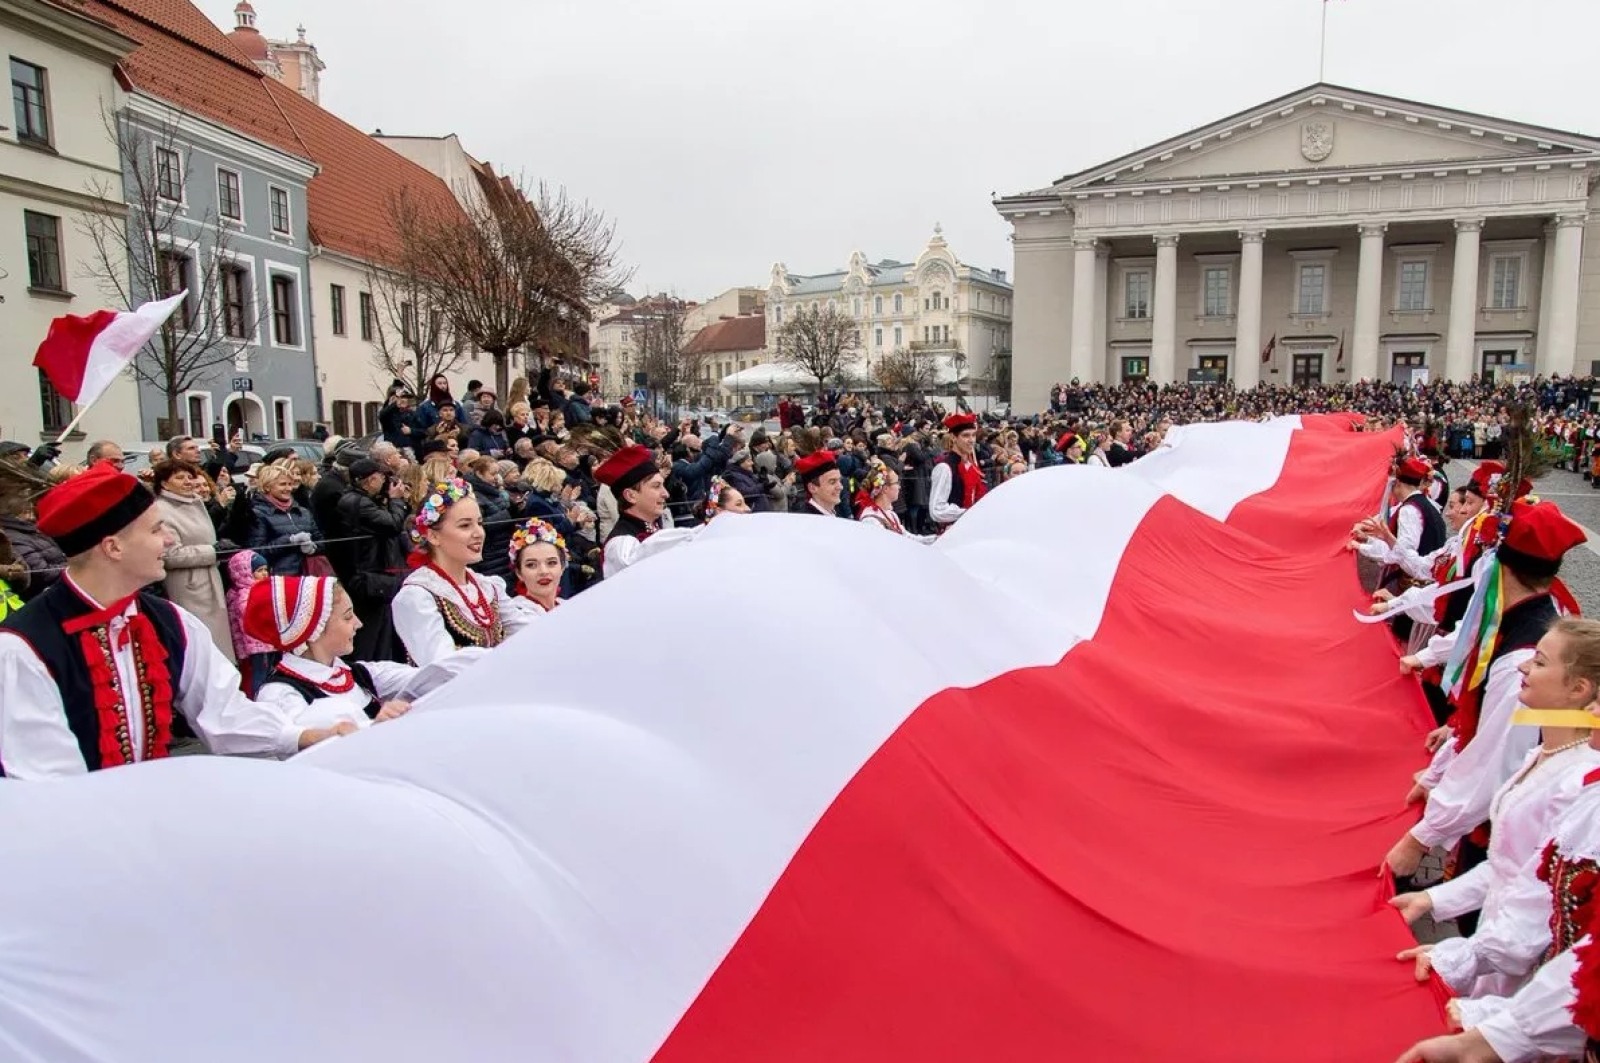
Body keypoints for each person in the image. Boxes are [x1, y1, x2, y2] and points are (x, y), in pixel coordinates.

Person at [0, 465, 349, 778]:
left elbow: (222, 711)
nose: (167, 540)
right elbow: (46, 778)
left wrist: (304, 737)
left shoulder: (168, 621)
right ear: (113, 548)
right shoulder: (23, 647)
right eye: (155, 530)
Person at [1390, 618, 1600, 1000]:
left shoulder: (1577, 784)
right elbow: (1512, 865)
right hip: (1497, 944)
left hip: (1524, 972)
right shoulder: (1546, 754)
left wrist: (1461, 956)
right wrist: (1434, 899)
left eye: (1539, 662)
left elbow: (1541, 902)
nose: (1523, 667)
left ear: (1577, 689)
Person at [1384, 499, 1588, 881]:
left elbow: (1496, 762)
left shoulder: (1523, 663)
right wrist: (1446, 750)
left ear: (1500, 566)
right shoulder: (1530, 619)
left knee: (1474, 920)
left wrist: (1420, 839)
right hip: (1508, 814)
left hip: (1507, 837)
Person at [249, 575, 416, 732]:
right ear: (314, 630)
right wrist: (375, 727)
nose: (358, 623)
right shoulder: (280, 694)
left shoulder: (359, 674)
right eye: (347, 616)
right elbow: (309, 745)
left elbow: (428, 676)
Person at [392, 478, 531, 666]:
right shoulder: (418, 595)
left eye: (479, 523)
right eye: (465, 525)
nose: (478, 533)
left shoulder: (488, 586)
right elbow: (442, 665)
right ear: (433, 536)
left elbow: (528, 633)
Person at [152, 460, 234, 662]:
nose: (188, 482)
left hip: (210, 579)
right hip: (188, 586)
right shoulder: (162, 509)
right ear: (164, 483)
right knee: (201, 645)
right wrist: (211, 551)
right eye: (180, 478)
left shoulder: (194, 502)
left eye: (190, 477)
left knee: (218, 646)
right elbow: (170, 555)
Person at [595, 445, 695, 575]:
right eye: (656, 486)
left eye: (663, 485)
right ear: (631, 496)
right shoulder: (621, 545)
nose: (666, 494)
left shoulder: (651, 527)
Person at [929, 413, 989, 531]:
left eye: (973, 435)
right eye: (966, 435)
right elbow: (936, 510)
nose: (971, 440)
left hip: (972, 528)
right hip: (953, 531)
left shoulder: (970, 465)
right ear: (953, 437)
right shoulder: (945, 467)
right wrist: (970, 512)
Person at [856, 459, 933, 542]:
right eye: (897, 483)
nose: (899, 487)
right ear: (885, 489)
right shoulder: (871, 520)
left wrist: (933, 539)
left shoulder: (890, 514)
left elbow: (906, 537)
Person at [507, 518, 566, 615]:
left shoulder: (569, 607)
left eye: (551, 563)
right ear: (519, 573)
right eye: (531, 565)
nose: (543, 571)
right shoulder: (517, 616)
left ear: (562, 567)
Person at [793, 449, 844, 517]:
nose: (840, 487)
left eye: (839, 480)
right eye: (832, 482)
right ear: (812, 488)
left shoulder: (833, 512)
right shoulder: (806, 520)